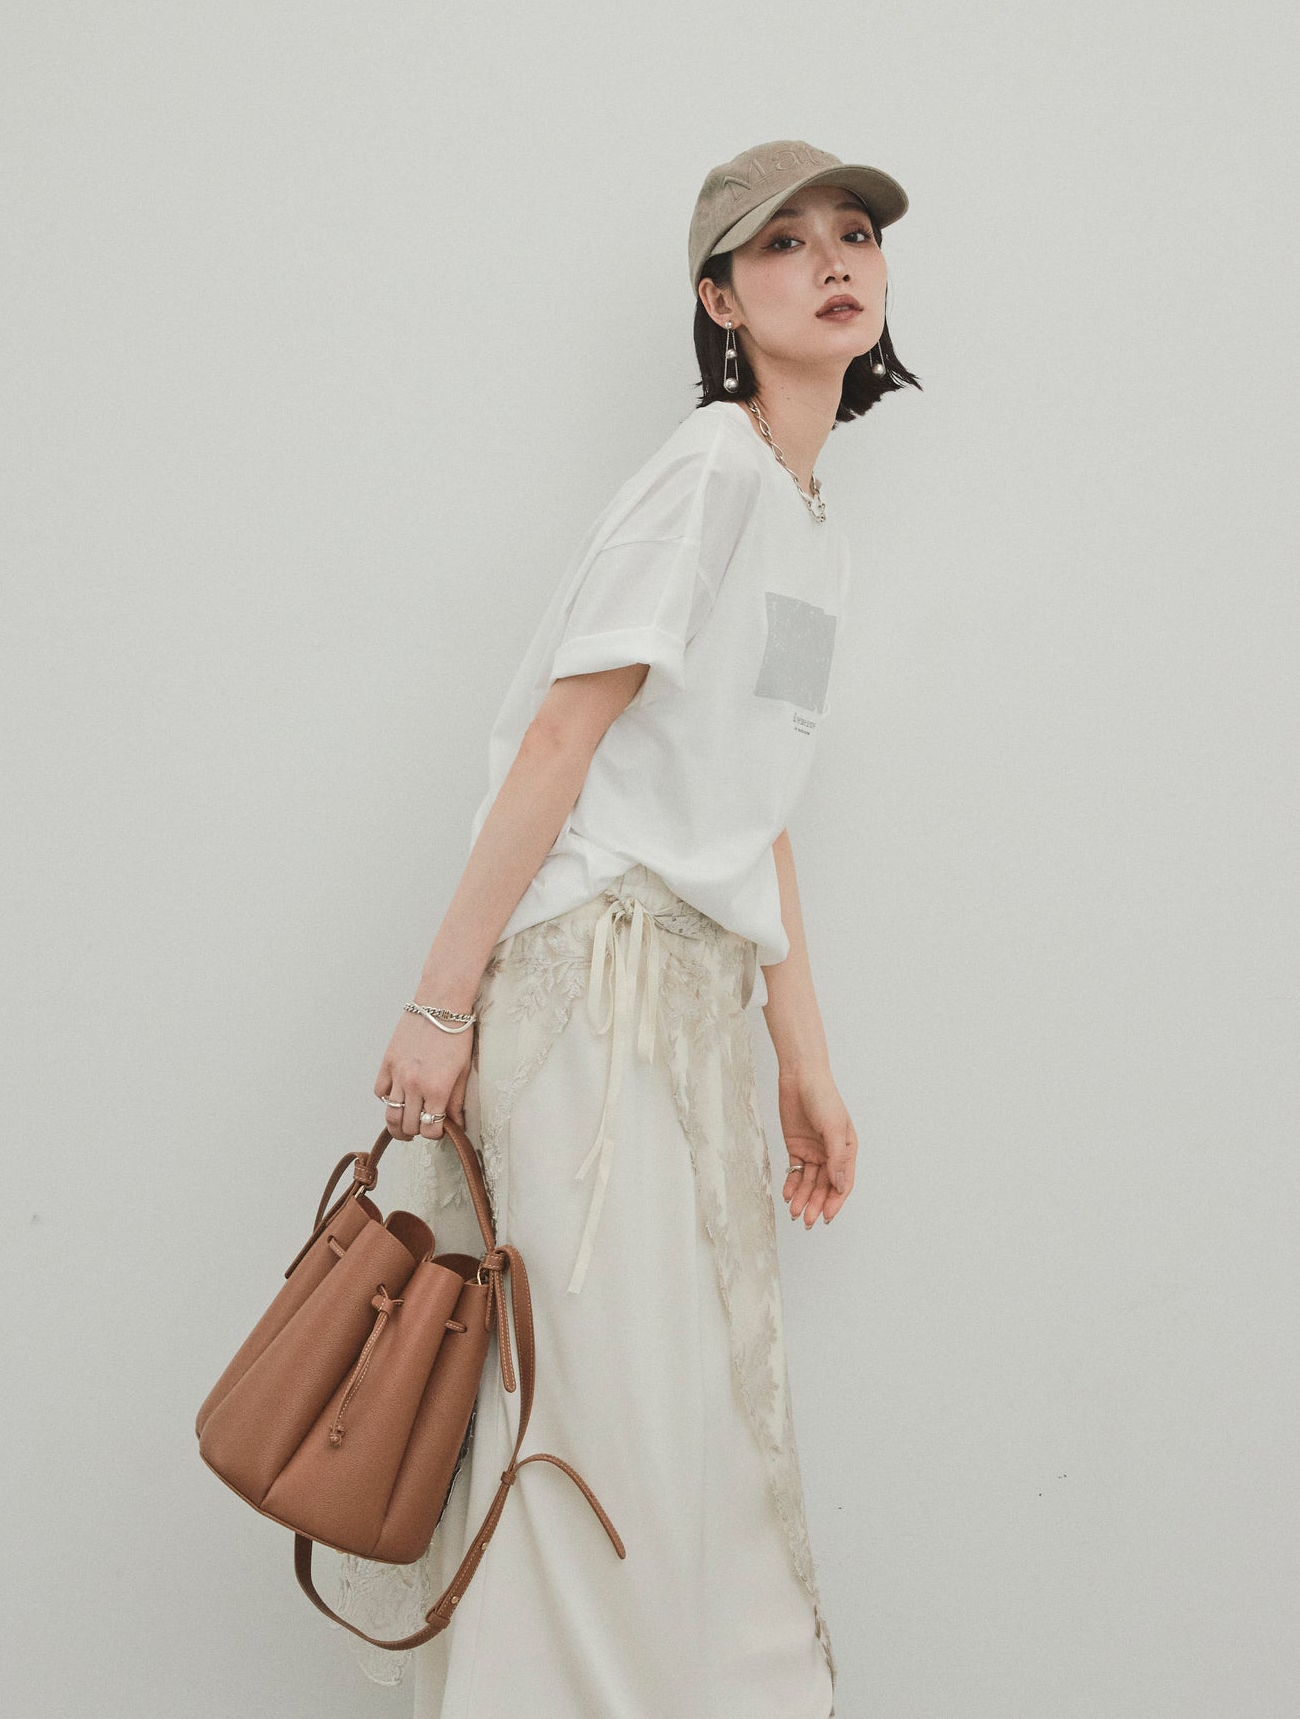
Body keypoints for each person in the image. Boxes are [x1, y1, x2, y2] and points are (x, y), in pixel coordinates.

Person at [334, 139, 918, 1719]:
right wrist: (441, 1007)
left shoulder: (806, 522)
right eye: (781, 243)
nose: (832, 260)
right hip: (588, 992)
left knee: (675, 1416)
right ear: (718, 300)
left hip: (688, 1000)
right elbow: (560, 737)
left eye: (852, 233)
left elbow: (753, 805)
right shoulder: (711, 468)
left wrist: (805, 1063)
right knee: (588, 1418)